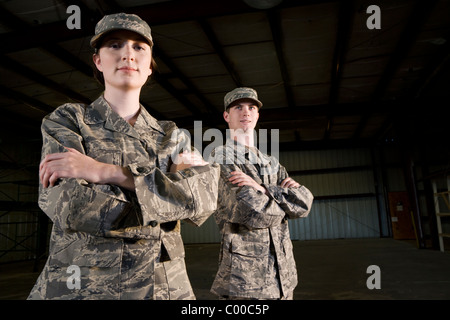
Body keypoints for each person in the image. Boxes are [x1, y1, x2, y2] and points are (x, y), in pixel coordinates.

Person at [28, 13, 219, 300]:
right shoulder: (68, 120)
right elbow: (70, 206)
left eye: (139, 47)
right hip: (84, 285)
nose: (128, 54)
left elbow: (204, 200)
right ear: (98, 61)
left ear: (150, 66)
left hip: (164, 286)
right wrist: (164, 207)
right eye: (115, 45)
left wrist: (106, 172)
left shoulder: (172, 135)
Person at [210, 87, 314, 300]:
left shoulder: (271, 162)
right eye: (238, 107)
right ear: (227, 116)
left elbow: (304, 204)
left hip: (284, 275)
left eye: (251, 107)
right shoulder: (221, 157)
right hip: (246, 279)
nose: (245, 112)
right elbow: (251, 211)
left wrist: (263, 189)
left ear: (257, 115)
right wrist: (285, 204)